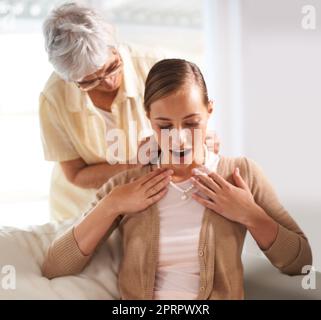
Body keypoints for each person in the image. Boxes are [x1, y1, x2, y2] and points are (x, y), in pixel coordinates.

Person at [42, 58, 312, 299]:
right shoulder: (125, 186)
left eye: (192, 123)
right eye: (165, 125)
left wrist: (250, 214)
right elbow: (56, 265)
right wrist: (112, 204)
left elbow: (300, 262)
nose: (179, 138)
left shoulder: (240, 174)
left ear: (210, 111)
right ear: (149, 118)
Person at [39, 2, 219, 222]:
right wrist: (138, 164)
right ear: (70, 79)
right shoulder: (54, 98)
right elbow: (75, 174)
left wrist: (200, 140)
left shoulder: (155, 68)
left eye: (111, 67)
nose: (107, 82)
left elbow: (194, 127)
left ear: (114, 45)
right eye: (89, 81)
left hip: (149, 208)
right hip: (79, 210)